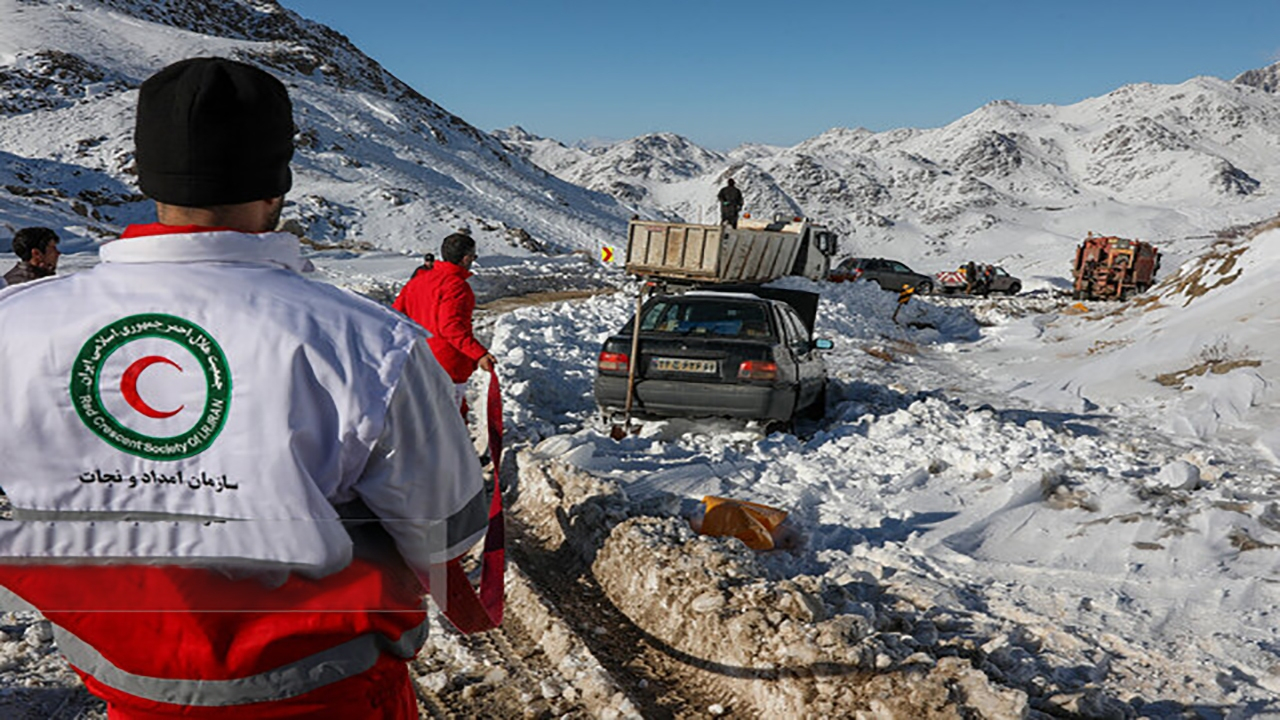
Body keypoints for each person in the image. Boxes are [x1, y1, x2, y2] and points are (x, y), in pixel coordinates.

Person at [0, 57, 487, 719]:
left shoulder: (16, 326)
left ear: (144, 176)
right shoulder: (370, 345)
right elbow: (445, 537)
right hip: (333, 697)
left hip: (128, 690)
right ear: (276, 183)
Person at [393, 232, 496, 411]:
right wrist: (478, 354)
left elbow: (395, 315)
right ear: (466, 258)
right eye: (473, 256)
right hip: (447, 365)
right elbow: (451, 327)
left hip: (419, 360)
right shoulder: (457, 286)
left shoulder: (416, 282)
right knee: (450, 419)